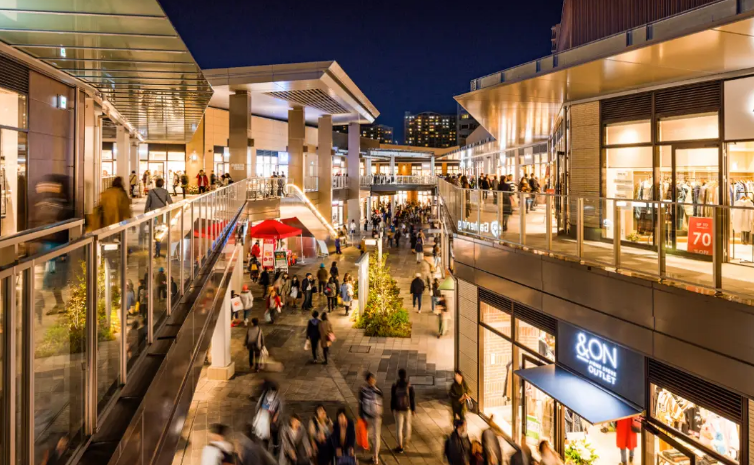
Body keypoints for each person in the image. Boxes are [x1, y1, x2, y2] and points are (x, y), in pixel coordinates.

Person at [359, 372, 383, 465]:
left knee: (372, 436)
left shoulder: (364, 390)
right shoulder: (378, 390)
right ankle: (374, 455)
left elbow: (361, 404)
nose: (373, 380)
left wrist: (361, 416)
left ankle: (375, 456)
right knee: (374, 436)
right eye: (372, 379)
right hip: (374, 417)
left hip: (370, 417)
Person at [391, 368, 416, 453]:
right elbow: (412, 398)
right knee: (408, 425)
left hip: (398, 410)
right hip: (407, 409)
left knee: (399, 427)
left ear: (399, 375)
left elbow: (393, 398)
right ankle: (407, 441)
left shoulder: (395, 386)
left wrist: (392, 408)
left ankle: (400, 446)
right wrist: (413, 409)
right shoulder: (409, 386)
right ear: (405, 376)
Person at [254, 380, 283, 454]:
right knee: (265, 435)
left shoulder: (278, 398)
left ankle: (275, 447)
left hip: (272, 420)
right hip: (264, 419)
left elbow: (280, 408)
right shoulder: (264, 395)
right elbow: (259, 404)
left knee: (274, 433)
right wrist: (259, 414)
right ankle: (265, 450)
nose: (272, 393)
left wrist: (276, 416)